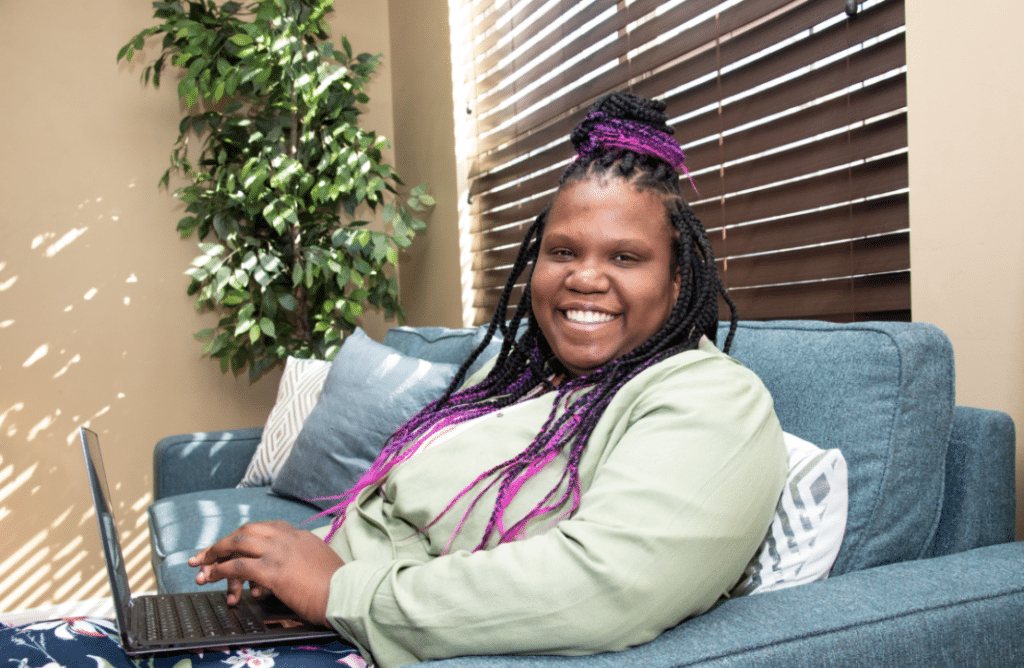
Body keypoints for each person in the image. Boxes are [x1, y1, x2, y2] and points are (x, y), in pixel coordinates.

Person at [0, 92, 783, 668]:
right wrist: (292, 569)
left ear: (680, 284)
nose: (583, 279)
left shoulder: (710, 398)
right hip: (322, 627)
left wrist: (337, 591)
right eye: (562, 251)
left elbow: (608, 585)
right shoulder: (543, 388)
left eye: (624, 257)